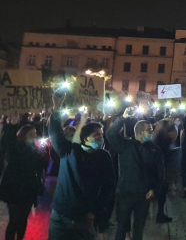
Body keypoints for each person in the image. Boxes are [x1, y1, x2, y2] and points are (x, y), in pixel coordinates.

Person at [48, 94, 115, 240]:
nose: (101, 138)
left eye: (101, 135)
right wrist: (57, 108)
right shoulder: (70, 151)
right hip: (60, 217)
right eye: (96, 135)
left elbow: (109, 186)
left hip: (84, 219)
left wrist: (95, 210)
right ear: (85, 138)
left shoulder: (103, 156)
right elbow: (55, 134)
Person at [107, 106, 165, 240]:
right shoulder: (125, 145)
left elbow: (160, 172)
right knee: (121, 227)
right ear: (139, 132)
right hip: (125, 194)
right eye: (149, 130)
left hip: (144, 195)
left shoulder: (155, 149)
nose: (152, 132)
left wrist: (155, 189)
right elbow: (111, 134)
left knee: (138, 228)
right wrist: (123, 118)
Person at [0, 124, 46, 240]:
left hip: (28, 189)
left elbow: (39, 168)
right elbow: (9, 141)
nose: (34, 137)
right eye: (31, 134)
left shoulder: (35, 150)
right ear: (23, 135)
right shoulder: (16, 148)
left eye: (35, 134)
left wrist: (42, 155)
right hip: (14, 189)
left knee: (23, 219)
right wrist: (12, 124)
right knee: (14, 220)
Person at [152, 118, 178, 223]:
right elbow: (165, 154)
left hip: (159, 168)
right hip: (163, 168)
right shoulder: (163, 140)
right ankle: (160, 214)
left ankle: (159, 213)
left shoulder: (157, 138)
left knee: (161, 192)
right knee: (162, 192)